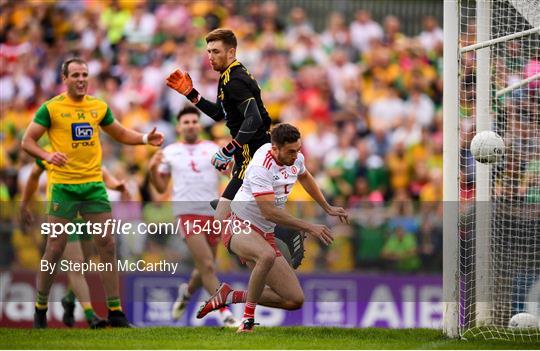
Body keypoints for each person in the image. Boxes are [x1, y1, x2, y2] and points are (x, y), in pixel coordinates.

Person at [21, 57, 164, 328]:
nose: (81, 79)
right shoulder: (51, 108)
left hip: (93, 186)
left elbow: (119, 133)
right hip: (63, 187)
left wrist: (145, 138)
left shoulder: (98, 107)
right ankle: (40, 306)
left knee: (107, 245)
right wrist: (47, 156)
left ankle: (115, 312)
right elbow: (27, 142)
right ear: (64, 78)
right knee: (54, 248)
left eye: (84, 74)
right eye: (75, 75)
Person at [196, 123, 349, 332]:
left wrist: (327, 206)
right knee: (266, 255)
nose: (296, 155)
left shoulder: (296, 157)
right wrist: (309, 227)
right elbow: (269, 212)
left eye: (298, 149)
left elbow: (304, 175)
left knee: (293, 299)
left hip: (264, 233)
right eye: (291, 151)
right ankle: (248, 321)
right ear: (275, 148)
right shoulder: (262, 165)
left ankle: (230, 295)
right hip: (238, 224)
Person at [165, 28, 272, 230]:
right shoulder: (227, 75)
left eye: (216, 51)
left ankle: (284, 234)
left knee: (221, 220)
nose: (210, 57)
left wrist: (228, 149)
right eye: (209, 52)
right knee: (248, 219)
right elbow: (219, 114)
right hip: (249, 153)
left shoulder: (234, 80)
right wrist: (191, 93)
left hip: (251, 154)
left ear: (231, 52)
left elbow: (254, 118)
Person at [148, 106, 239, 327]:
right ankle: (225, 313)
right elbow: (160, 189)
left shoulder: (212, 148)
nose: (190, 125)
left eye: (193, 121)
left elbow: (229, 173)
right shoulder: (169, 152)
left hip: (213, 213)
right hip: (187, 213)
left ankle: (186, 293)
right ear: (179, 127)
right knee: (207, 265)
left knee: (205, 266)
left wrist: (232, 166)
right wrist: (152, 169)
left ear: (199, 125)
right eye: (185, 122)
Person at [20, 151, 129, 328]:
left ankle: (69, 299)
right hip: (63, 215)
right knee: (76, 264)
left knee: (84, 263)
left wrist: (119, 187)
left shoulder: (87, 151)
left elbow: (105, 176)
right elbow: (33, 177)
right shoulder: (50, 152)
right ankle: (90, 315)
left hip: (86, 216)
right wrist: (25, 203)